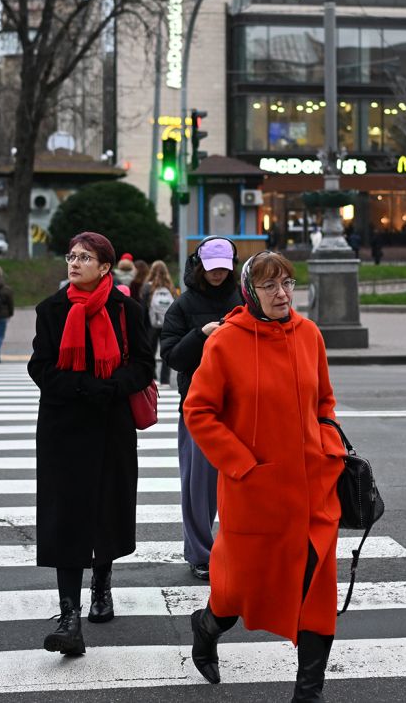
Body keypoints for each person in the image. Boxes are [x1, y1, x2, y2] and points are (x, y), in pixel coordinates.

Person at [182, 250, 345, 701]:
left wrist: (329, 449)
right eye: (270, 285)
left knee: (316, 589)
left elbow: (325, 406)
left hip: (315, 492)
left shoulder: (310, 335)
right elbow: (198, 410)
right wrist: (243, 465)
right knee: (236, 592)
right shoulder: (226, 342)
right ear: (249, 292)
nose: (281, 294)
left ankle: (308, 692)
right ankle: (209, 624)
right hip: (255, 493)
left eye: (288, 283)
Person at [29, 231, 154, 656]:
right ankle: (69, 616)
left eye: (85, 257)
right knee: (65, 517)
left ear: (104, 267)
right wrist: (82, 387)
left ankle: (102, 584)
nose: (75, 263)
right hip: (63, 428)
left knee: (106, 510)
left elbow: (143, 364)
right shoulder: (51, 310)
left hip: (111, 426)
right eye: (71, 256)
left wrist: (112, 387)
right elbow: (39, 366)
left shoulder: (126, 310)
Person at [159, 237, 241, 581]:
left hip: (241, 403)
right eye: (212, 267)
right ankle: (200, 554)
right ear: (199, 266)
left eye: (224, 267)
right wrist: (201, 334)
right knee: (199, 486)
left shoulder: (245, 299)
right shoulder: (183, 305)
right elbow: (172, 356)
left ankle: (242, 549)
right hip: (198, 404)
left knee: (244, 483)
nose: (219, 273)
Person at [140, 259, 176, 385]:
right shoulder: (170, 287)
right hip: (167, 324)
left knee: (150, 351)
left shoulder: (147, 287)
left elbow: (143, 308)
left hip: (151, 324)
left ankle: (152, 376)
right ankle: (165, 379)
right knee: (166, 351)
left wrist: (142, 325)